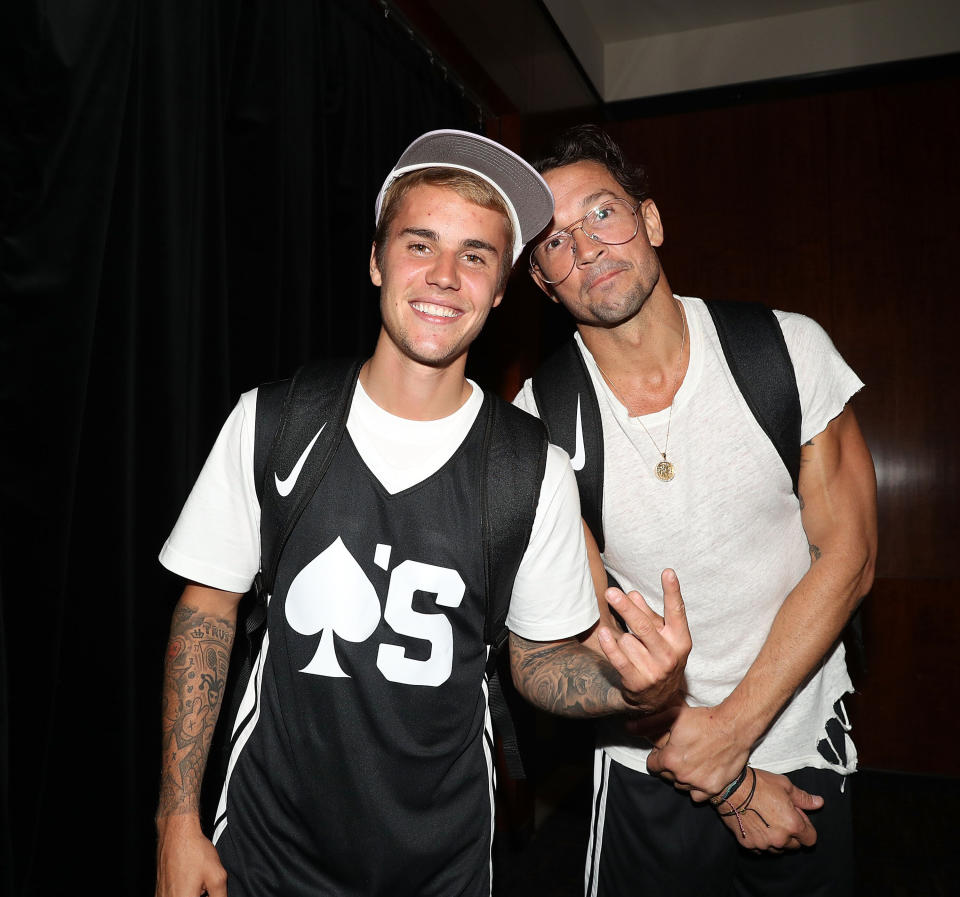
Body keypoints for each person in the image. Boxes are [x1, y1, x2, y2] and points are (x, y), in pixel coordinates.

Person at [154, 129, 693, 897]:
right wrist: (176, 822)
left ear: (502, 287)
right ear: (376, 260)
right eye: (420, 244)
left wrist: (633, 689)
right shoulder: (273, 423)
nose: (445, 276)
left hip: (445, 866)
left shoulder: (529, 466)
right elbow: (206, 609)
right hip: (267, 854)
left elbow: (538, 663)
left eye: (476, 255)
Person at [513, 125, 878, 896]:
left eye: (602, 214)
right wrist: (730, 782)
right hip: (649, 762)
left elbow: (850, 558)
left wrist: (734, 741)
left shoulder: (786, 349)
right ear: (544, 284)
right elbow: (585, 638)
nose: (586, 247)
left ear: (650, 221)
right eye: (553, 241)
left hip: (801, 742)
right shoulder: (536, 421)